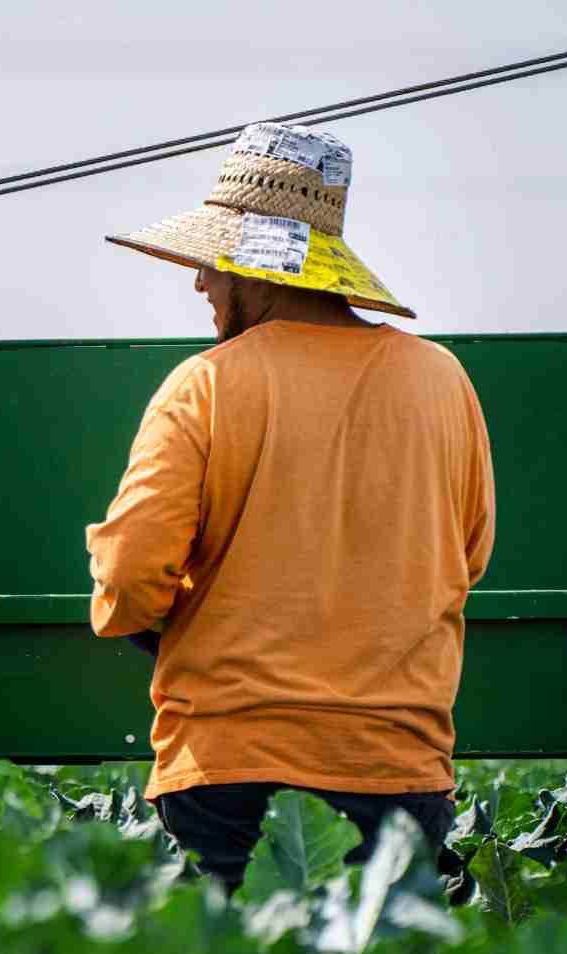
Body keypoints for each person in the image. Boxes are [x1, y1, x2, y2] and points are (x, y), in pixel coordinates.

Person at [89, 123, 496, 892]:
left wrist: (176, 625)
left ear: (258, 270)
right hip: (400, 774)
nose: (200, 285)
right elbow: (466, 559)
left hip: (229, 775)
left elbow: (131, 576)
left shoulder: (203, 387)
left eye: (213, 266)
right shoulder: (443, 382)